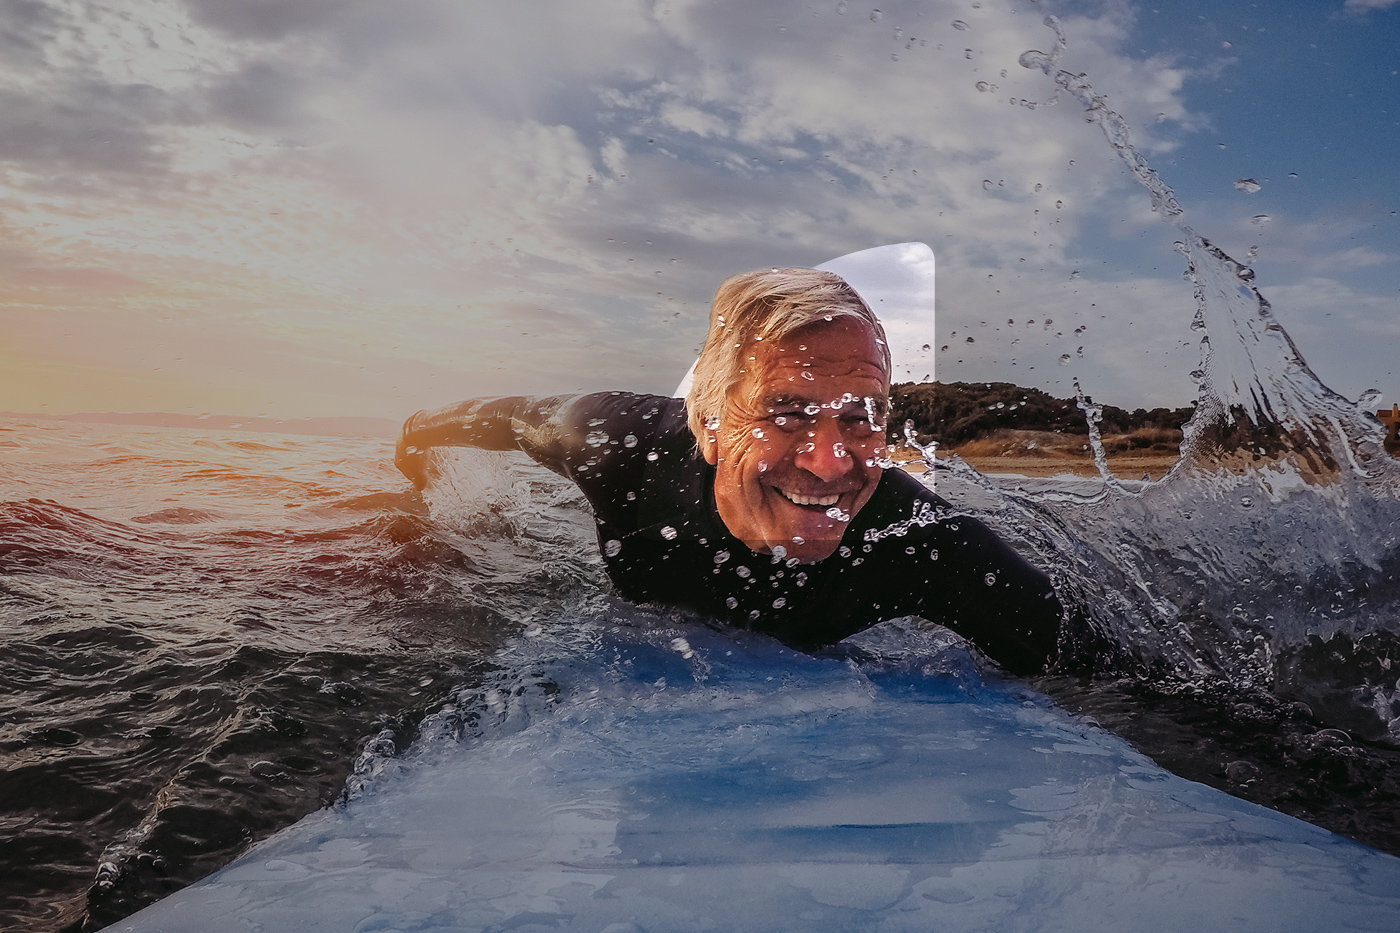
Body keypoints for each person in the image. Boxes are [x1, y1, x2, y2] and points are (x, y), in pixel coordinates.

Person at [395, 267, 1064, 674]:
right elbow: (507, 418)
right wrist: (416, 435)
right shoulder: (617, 443)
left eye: (862, 417)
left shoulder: (926, 545)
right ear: (709, 421)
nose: (833, 462)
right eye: (789, 413)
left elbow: (1108, 680)